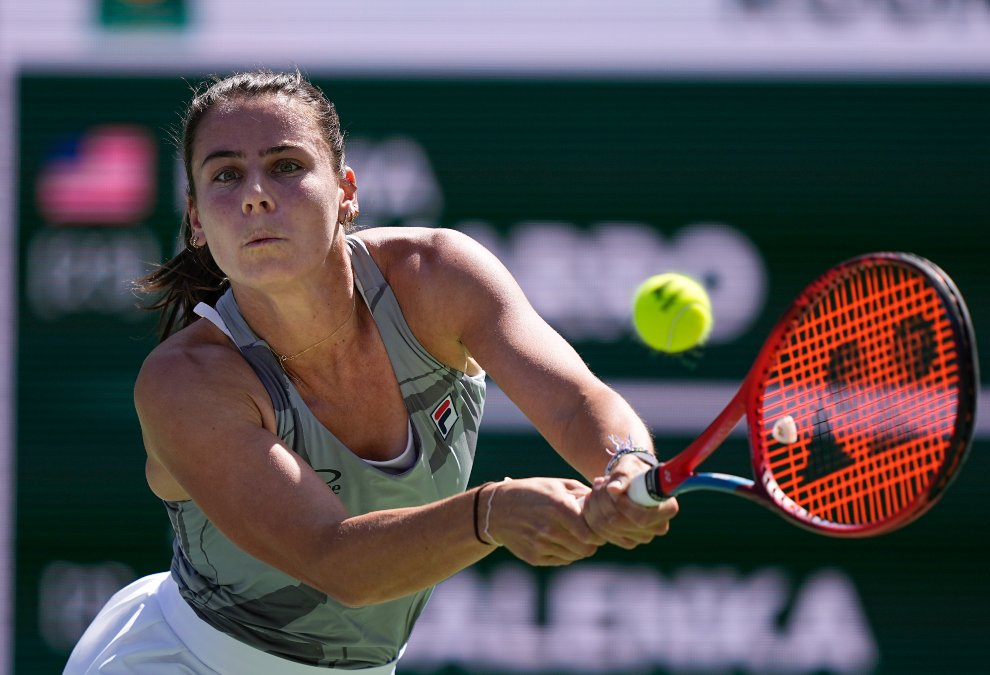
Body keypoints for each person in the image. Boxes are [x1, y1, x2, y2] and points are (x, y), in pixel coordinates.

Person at [66, 69, 678, 674]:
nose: (256, 193)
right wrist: (490, 513)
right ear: (197, 221)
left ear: (346, 191)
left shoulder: (438, 276)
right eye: (226, 175)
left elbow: (576, 403)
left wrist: (627, 464)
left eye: (286, 166)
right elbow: (337, 561)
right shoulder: (186, 381)